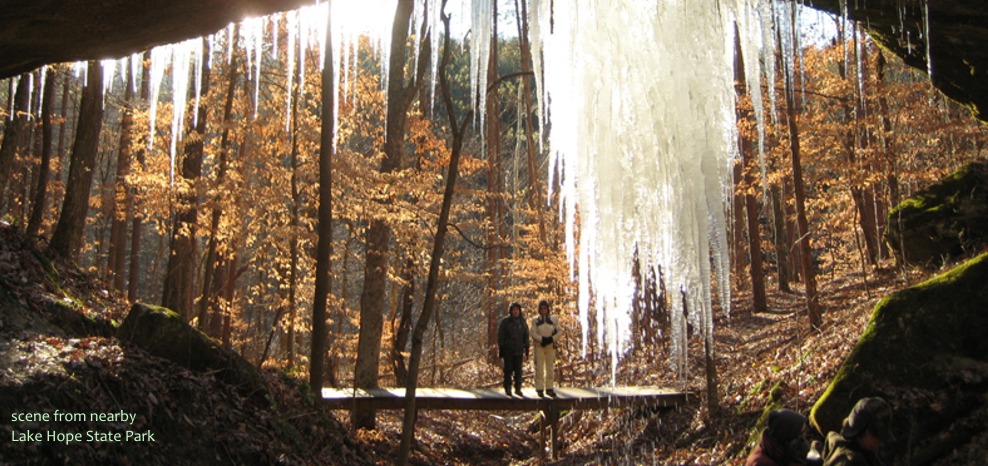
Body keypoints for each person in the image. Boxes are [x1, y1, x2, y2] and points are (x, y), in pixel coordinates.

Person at [823, 397, 894, 466]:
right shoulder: (847, 461)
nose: (880, 443)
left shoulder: (866, 452)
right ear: (863, 432)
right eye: (875, 435)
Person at [746, 408, 813, 466]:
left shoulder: (774, 451)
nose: (803, 439)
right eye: (800, 434)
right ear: (787, 439)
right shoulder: (761, 463)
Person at [497, 302, 529, 397]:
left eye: (517, 310)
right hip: (508, 350)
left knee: (518, 371)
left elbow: (526, 336)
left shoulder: (522, 322)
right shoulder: (505, 322)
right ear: (511, 311)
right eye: (514, 310)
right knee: (508, 370)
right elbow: (500, 335)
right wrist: (501, 348)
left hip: (519, 350)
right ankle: (508, 387)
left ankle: (518, 388)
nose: (516, 312)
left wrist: (526, 348)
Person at [530, 300, 561, 398]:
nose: (543, 310)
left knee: (550, 368)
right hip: (539, 346)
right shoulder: (535, 320)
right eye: (541, 308)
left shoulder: (554, 319)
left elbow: (560, 331)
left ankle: (549, 388)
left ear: (548, 309)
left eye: (545, 308)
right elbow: (533, 333)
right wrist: (541, 339)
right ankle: (539, 388)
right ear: (539, 310)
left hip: (550, 346)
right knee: (539, 368)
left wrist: (552, 339)